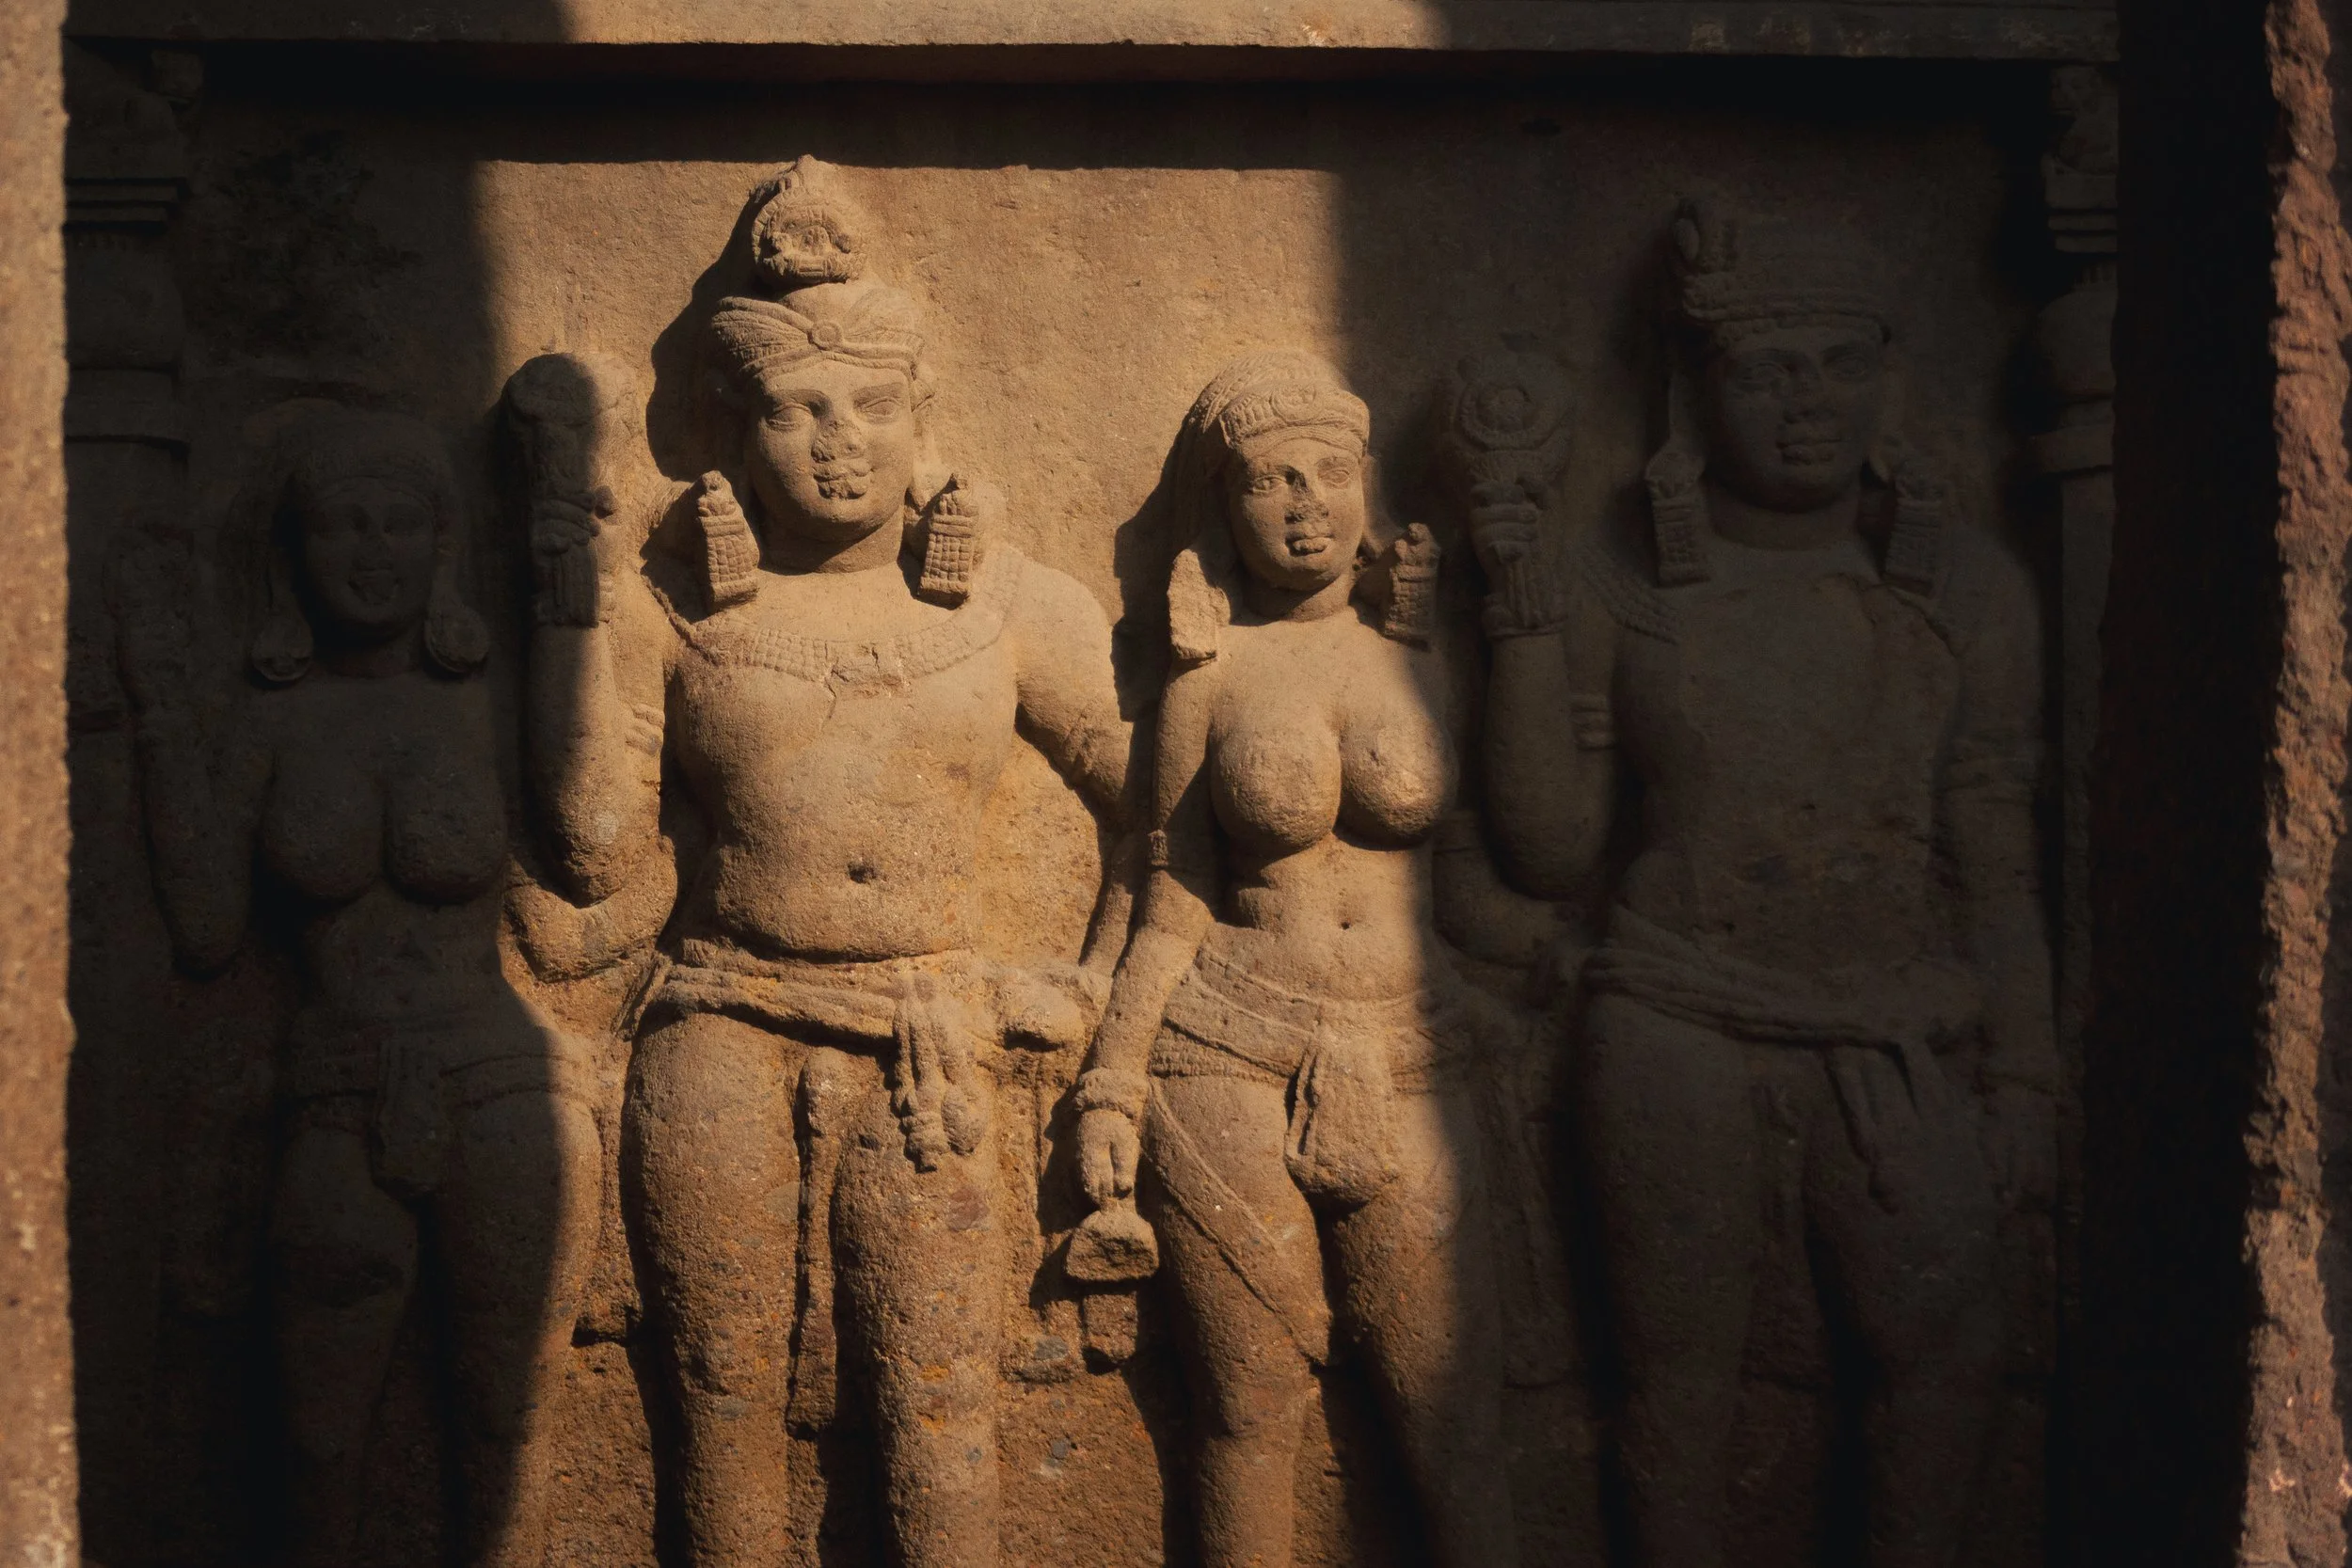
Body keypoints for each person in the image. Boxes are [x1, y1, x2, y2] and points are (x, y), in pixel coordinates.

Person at [518, 158, 1132, 1568]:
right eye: (796, 411)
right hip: (722, 1022)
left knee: (938, 1404)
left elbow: (1159, 806)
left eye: (871, 408)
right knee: (718, 1400)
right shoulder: (668, 612)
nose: (838, 444)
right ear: (735, 432)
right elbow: (592, 846)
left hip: (926, 1030)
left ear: (925, 418)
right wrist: (566, 622)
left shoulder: (1008, 606)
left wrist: (1090, 984)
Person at [1467, 200, 2057, 1566]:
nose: (1809, 404)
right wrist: (1520, 625)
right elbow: (1550, 850)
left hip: (1896, 1021)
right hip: (1676, 1010)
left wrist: (2027, 1074)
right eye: (1768, 370)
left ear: (1887, 378)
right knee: (1678, 1382)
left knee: (1944, 1359)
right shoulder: (1619, 585)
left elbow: (1993, 853)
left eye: (1842, 364)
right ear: (1695, 388)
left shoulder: (1962, 591)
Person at [116, 404, 600, 1568]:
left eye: (398, 522)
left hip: (501, 1080)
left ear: (441, 542)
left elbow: (590, 853)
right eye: (342, 524)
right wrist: (164, 704)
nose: (371, 550)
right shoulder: (268, 722)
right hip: (334, 1084)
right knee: (317, 1434)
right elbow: (205, 929)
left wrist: (576, 612)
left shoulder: (485, 702)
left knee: (506, 1421)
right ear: (293, 552)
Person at [1073, 349, 1521, 1568]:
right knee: (1248, 1408)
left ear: (1364, 485)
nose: (1303, 504)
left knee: (1450, 1410)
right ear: (1224, 508)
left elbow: (1480, 869)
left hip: (1411, 1044)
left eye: (1327, 473)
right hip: (1228, 1045)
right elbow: (1169, 891)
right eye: (1268, 481)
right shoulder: (1208, 680)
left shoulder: (1421, 661)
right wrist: (1113, 1077)